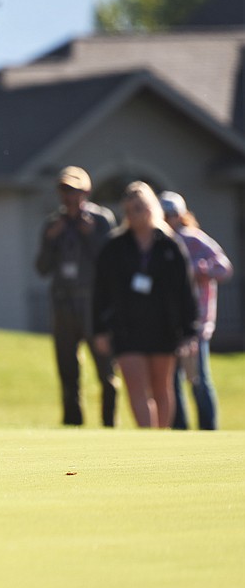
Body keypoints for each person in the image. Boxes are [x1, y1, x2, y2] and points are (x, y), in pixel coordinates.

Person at [92, 182, 199, 429]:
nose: (135, 214)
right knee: (136, 387)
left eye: (140, 208)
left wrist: (190, 331)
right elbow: (100, 291)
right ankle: (147, 438)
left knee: (162, 387)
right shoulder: (115, 247)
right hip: (127, 329)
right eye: (129, 210)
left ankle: (160, 439)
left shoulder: (169, 246)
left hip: (164, 328)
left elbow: (186, 291)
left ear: (151, 208)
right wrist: (99, 329)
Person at [34, 166, 119, 427]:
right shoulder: (52, 223)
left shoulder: (101, 220)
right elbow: (41, 268)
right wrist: (51, 239)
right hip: (63, 303)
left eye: (73, 190)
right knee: (67, 371)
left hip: (93, 304)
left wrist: (89, 234)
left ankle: (109, 425)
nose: (68, 197)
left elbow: (111, 263)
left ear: (86, 191)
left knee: (106, 372)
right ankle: (73, 424)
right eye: (64, 191)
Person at [159, 192, 233, 430]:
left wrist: (203, 270)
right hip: (170, 323)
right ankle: (179, 429)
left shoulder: (194, 239)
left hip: (197, 323)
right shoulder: (160, 241)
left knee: (198, 378)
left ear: (181, 215)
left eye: (173, 215)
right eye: (165, 214)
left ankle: (208, 429)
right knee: (172, 380)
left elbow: (223, 268)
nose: (170, 219)